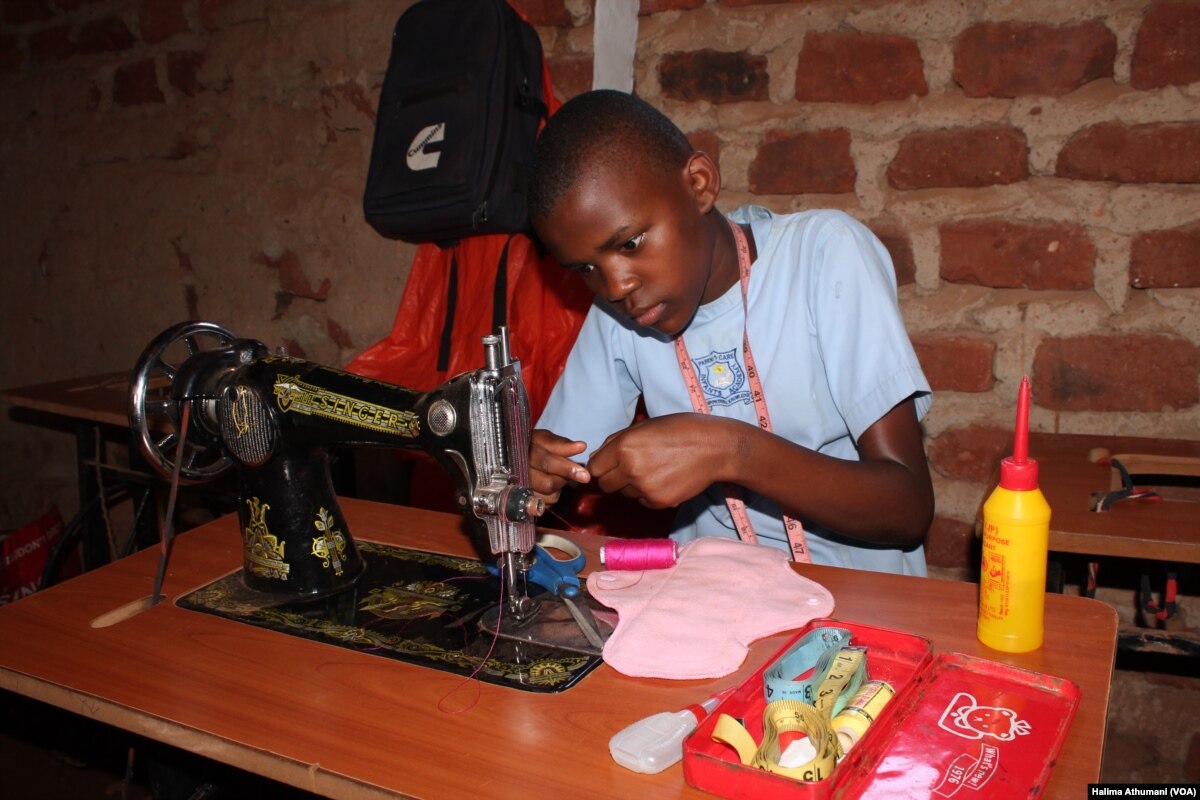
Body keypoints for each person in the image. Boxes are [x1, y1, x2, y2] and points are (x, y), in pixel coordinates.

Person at [526, 89, 934, 575]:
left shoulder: (823, 255)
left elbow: (907, 509)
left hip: (861, 601)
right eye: (586, 268)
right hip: (712, 597)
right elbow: (564, 461)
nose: (616, 285)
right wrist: (532, 470)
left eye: (631, 243)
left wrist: (730, 450)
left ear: (699, 184)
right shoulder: (618, 313)